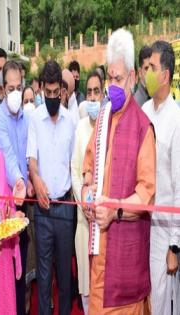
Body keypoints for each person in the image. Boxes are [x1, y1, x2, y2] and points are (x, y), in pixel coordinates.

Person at [82, 28, 156, 314]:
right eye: (109, 77)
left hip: (126, 266)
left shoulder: (142, 128)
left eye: (119, 78)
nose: (113, 85)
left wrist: (116, 211)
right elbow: (88, 170)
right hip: (99, 258)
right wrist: (87, 193)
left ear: (134, 77)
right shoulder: (102, 118)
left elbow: (146, 195)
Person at [27, 60, 75, 315]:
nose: (53, 98)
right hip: (43, 212)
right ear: (42, 89)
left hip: (66, 209)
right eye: (49, 93)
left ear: (63, 92)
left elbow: (75, 165)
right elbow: (31, 161)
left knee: (65, 278)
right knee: (44, 279)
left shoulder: (71, 121)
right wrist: (36, 179)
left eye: (57, 94)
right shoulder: (34, 119)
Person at [142, 40, 180, 315]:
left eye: (152, 68)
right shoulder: (143, 113)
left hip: (166, 230)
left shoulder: (176, 120)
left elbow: (179, 187)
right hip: (143, 225)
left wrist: (174, 246)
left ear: (165, 75)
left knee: (163, 303)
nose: (147, 74)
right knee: (148, 298)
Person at [0, 59, 33, 315]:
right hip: (6, 210)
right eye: (10, 89)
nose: (15, 94)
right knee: (8, 272)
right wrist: (20, 180)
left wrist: (29, 179)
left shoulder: (25, 117)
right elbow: (8, 156)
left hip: (23, 203)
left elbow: (28, 155)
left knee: (22, 269)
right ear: (2, 91)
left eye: (19, 87)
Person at [71, 70, 104, 314]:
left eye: (97, 91)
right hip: (84, 219)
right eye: (89, 92)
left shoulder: (109, 125)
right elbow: (74, 169)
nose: (92, 97)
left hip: (104, 221)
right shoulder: (81, 127)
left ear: (103, 94)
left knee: (102, 280)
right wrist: (83, 202)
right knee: (84, 280)